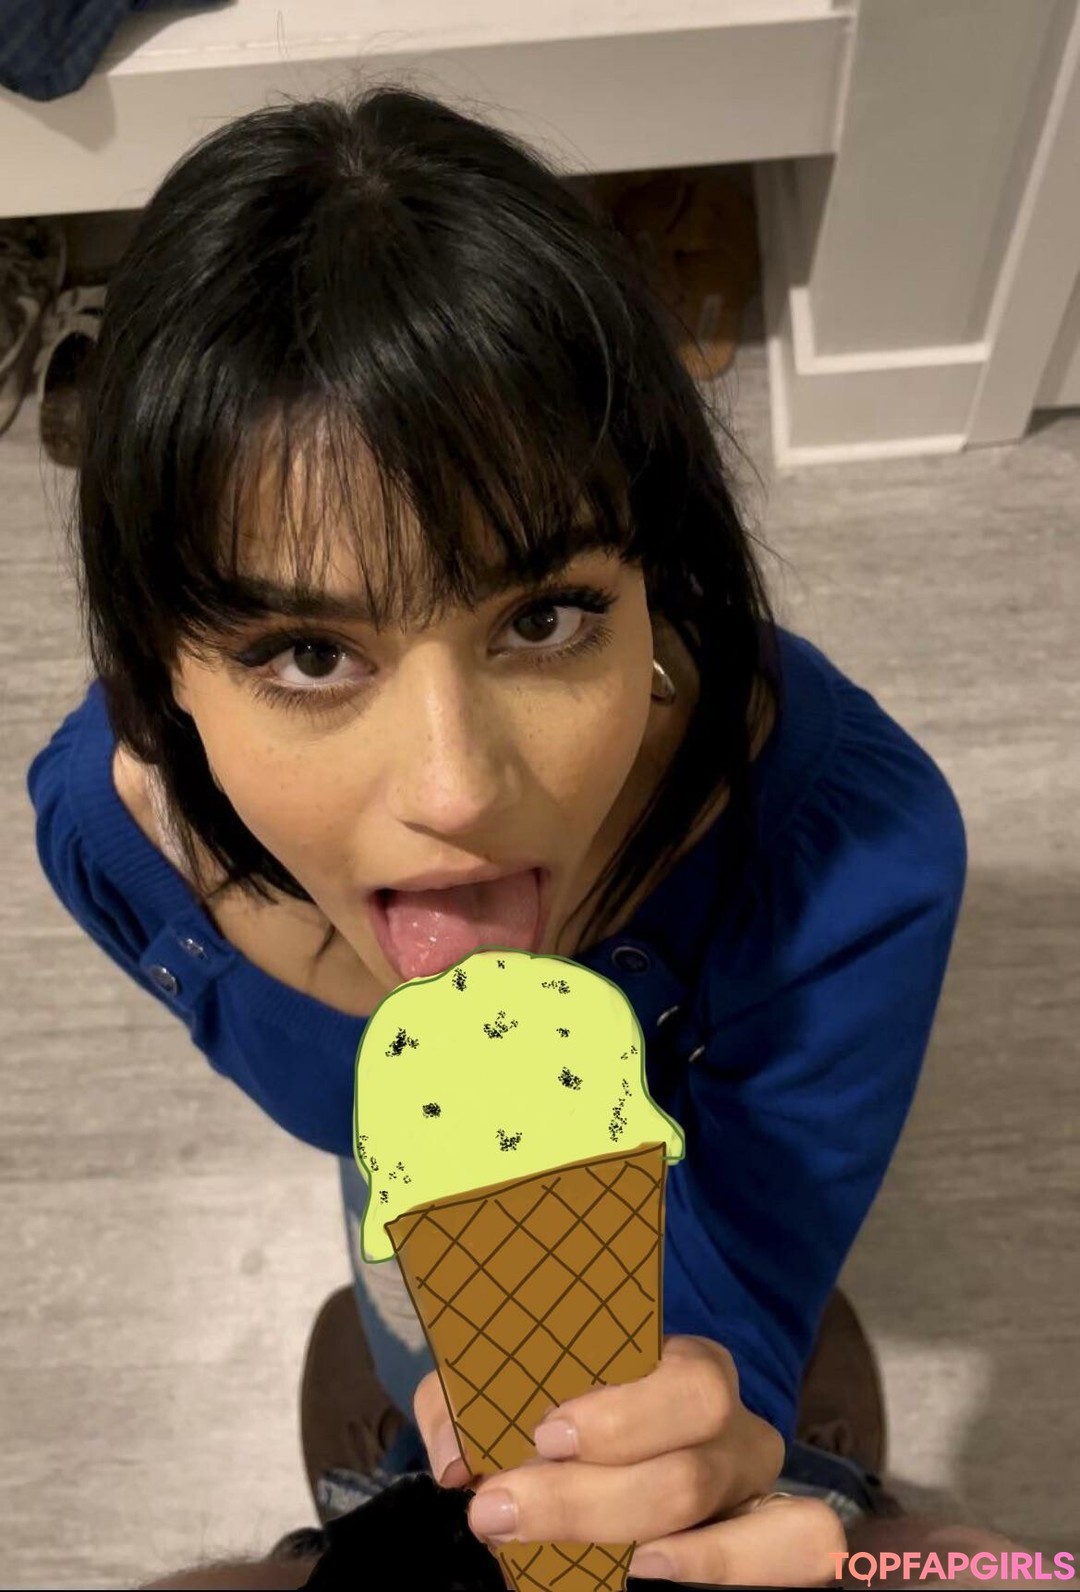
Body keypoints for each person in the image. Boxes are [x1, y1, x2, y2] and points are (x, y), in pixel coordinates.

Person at [27, 86, 970, 1584]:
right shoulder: (115, 835)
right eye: (309, 654)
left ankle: (822, 1477)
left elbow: (755, 1273)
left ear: (654, 584)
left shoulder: (847, 857)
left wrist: (808, 1514)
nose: (457, 792)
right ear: (159, 671)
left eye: (544, 618)